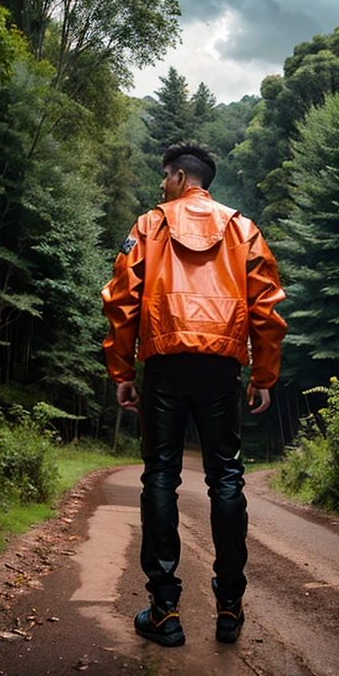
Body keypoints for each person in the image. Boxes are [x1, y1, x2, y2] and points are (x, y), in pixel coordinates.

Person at [101, 142, 286, 647]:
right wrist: (263, 376)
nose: (161, 184)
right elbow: (267, 308)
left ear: (182, 177)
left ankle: (165, 611)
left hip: (163, 363)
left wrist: (122, 370)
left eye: (165, 176)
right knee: (226, 477)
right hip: (222, 368)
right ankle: (229, 607)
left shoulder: (148, 225)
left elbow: (121, 301)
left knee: (160, 474)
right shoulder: (242, 228)